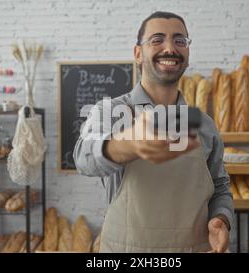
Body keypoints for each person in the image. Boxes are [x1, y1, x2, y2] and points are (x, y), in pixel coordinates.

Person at [73, 11, 233, 253]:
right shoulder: (112, 111)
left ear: (187, 53)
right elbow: (83, 158)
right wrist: (127, 144)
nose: (170, 48)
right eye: (157, 40)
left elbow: (220, 186)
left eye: (180, 41)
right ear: (138, 53)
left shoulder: (203, 123)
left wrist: (221, 219)